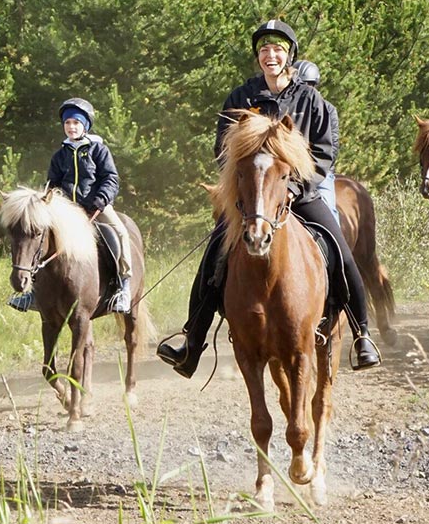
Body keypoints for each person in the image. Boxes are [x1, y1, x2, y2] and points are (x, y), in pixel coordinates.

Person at [156, 20, 381, 377]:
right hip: (252, 196)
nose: (270, 56)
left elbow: (323, 155)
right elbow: (223, 149)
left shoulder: (313, 102)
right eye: (264, 50)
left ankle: (362, 334)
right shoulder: (241, 98)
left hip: (298, 192)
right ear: (258, 57)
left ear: (289, 55)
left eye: (277, 50)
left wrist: (292, 188)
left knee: (339, 248)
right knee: (214, 253)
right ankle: (191, 343)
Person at [8, 98, 134, 314]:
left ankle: (123, 286)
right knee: (39, 241)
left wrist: (101, 199)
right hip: (66, 213)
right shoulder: (60, 155)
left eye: (76, 123)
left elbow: (111, 178)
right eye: (68, 123)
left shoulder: (99, 150)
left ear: (85, 125)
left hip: (97, 207)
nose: (71, 127)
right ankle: (34, 293)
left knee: (120, 233)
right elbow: (53, 184)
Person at [293, 60, 340, 225]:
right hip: (288, 173)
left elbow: (331, 149)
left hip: (317, 174)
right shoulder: (289, 107)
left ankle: (336, 250)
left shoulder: (328, 109)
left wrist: (310, 174)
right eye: (302, 84)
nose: (306, 88)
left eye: (310, 84)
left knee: (330, 215)